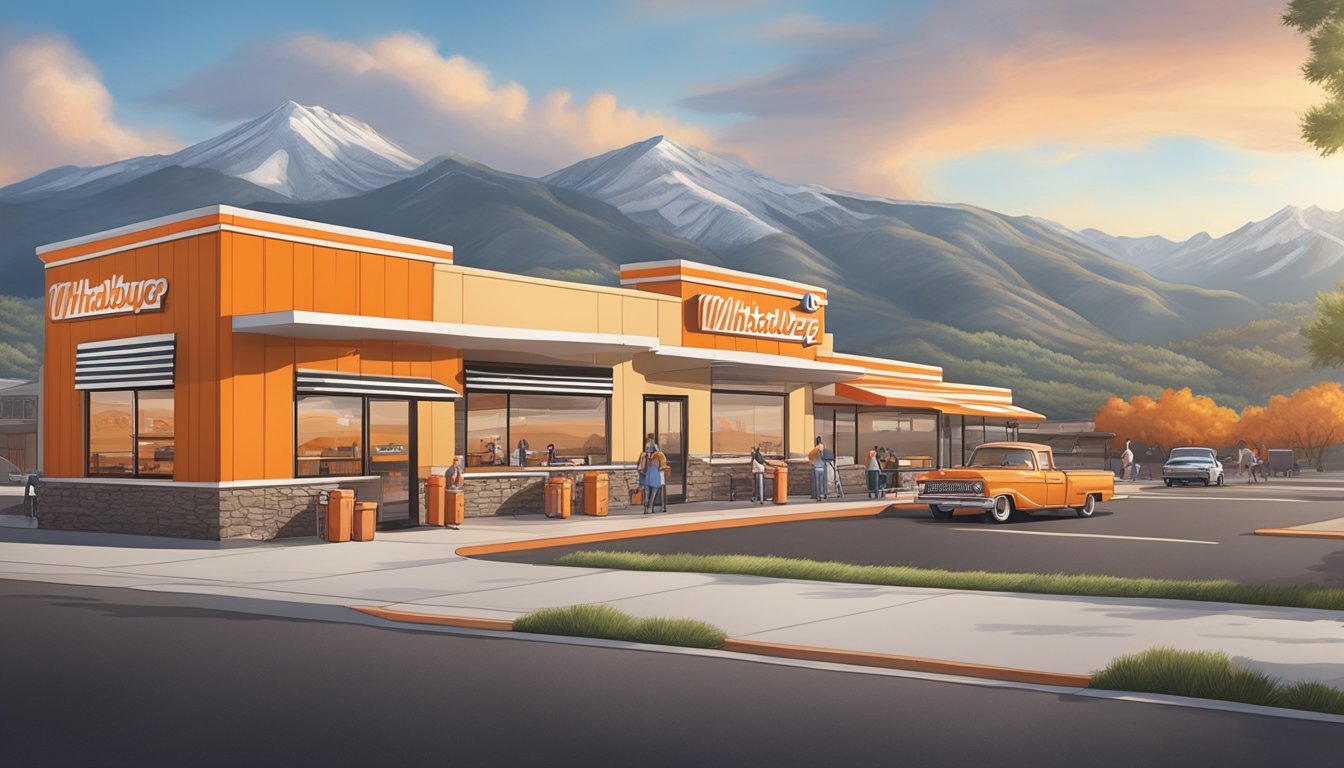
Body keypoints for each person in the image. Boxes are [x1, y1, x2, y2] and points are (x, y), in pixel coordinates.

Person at [637, 445, 668, 514]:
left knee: (646, 492)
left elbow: (640, 467)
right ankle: (650, 507)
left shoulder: (643, 456)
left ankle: (645, 508)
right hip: (655, 475)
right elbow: (663, 466)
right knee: (653, 493)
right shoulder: (659, 455)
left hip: (647, 475)